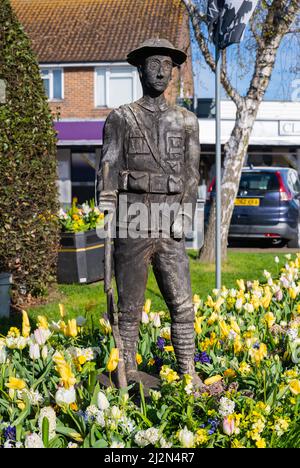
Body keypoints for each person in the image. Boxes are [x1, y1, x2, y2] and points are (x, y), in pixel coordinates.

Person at [98, 38, 201, 386]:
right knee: (128, 308)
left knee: (182, 303)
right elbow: (109, 163)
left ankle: (188, 370)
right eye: (153, 63)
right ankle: (125, 369)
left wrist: (185, 216)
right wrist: (107, 203)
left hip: (170, 220)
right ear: (140, 68)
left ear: (173, 71)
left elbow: (191, 174)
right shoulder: (121, 118)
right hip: (132, 217)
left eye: (166, 64)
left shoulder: (186, 121)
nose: (160, 71)